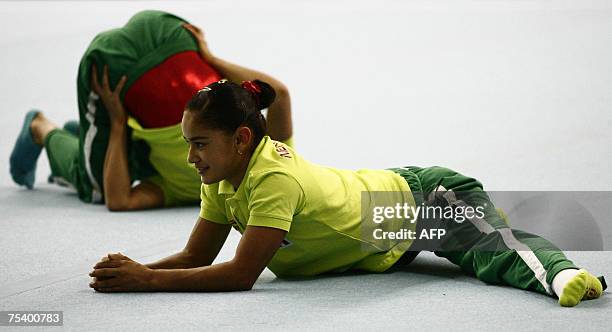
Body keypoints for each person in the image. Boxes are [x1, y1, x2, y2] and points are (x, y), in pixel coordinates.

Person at [88, 78, 605, 307]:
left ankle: (563, 274)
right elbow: (197, 255)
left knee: (493, 252)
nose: (190, 157)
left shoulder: (271, 179)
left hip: (411, 207)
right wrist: (140, 267)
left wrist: (145, 285)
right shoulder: (222, 178)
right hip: (377, 228)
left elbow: (242, 274)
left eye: (199, 144)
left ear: (242, 139)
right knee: (483, 241)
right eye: (188, 145)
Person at [9, 11, 293, 211]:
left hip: (170, 37)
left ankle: (65, 133)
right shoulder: (269, 162)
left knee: (106, 169)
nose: (192, 157)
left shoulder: (263, 156)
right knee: (94, 187)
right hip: (139, 63)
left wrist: (119, 122)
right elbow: (117, 199)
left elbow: (277, 94)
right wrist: (211, 57)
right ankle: (41, 128)